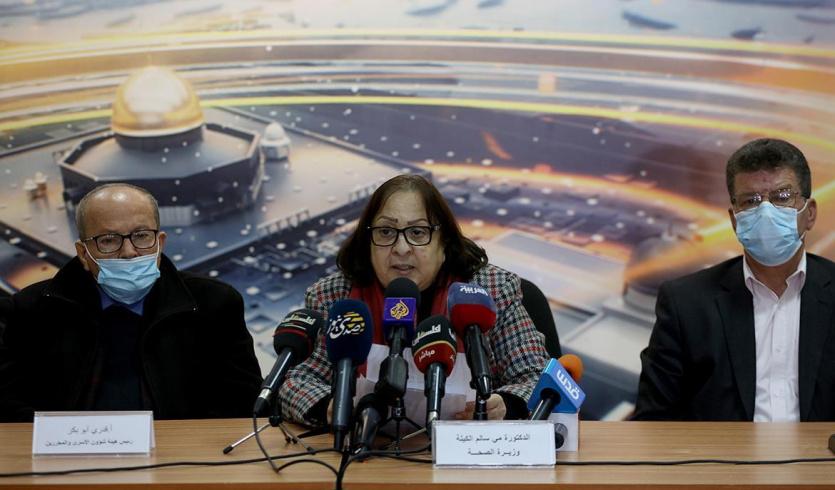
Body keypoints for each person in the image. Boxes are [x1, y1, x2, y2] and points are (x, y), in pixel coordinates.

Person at [279, 174, 550, 425]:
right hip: (366, 448)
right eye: (386, 232)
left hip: (467, 448)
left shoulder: (490, 291)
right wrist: (331, 407)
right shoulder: (335, 296)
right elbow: (296, 381)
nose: (401, 248)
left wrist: (505, 405)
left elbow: (536, 377)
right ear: (368, 241)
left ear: (444, 242)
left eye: (418, 232)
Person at [0, 183, 262, 422]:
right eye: (108, 240)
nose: (128, 252)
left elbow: (241, 400)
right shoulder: (31, 310)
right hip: (66, 453)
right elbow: (8, 403)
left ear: (160, 243)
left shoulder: (215, 305)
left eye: (141, 236)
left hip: (184, 453)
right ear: (83, 253)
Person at [634, 138, 835, 421]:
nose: (766, 212)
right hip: (722, 451)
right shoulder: (686, 304)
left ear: (810, 213)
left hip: (820, 450)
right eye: (750, 201)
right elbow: (653, 420)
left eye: (782, 197)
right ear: (734, 220)